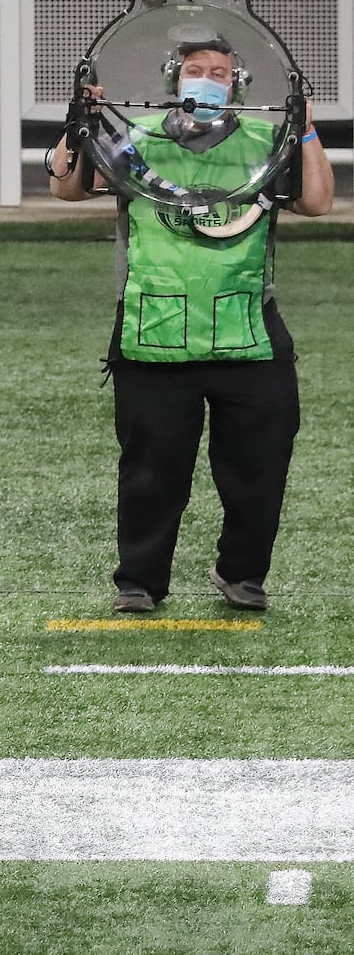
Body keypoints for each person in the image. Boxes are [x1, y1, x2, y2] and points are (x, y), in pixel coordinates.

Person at [49, 35, 334, 613]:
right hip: (153, 333)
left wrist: (305, 129)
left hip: (248, 332)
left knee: (260, 469)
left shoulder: (267, 141)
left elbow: (318, 202)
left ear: (238, 85)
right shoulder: (135, 140)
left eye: (220, 73)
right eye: (195, 70)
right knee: (150, 472)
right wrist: (80, 122)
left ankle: (242, 574)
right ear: (174, 79)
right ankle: (139, 581)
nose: (207, 80)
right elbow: (66, 187)